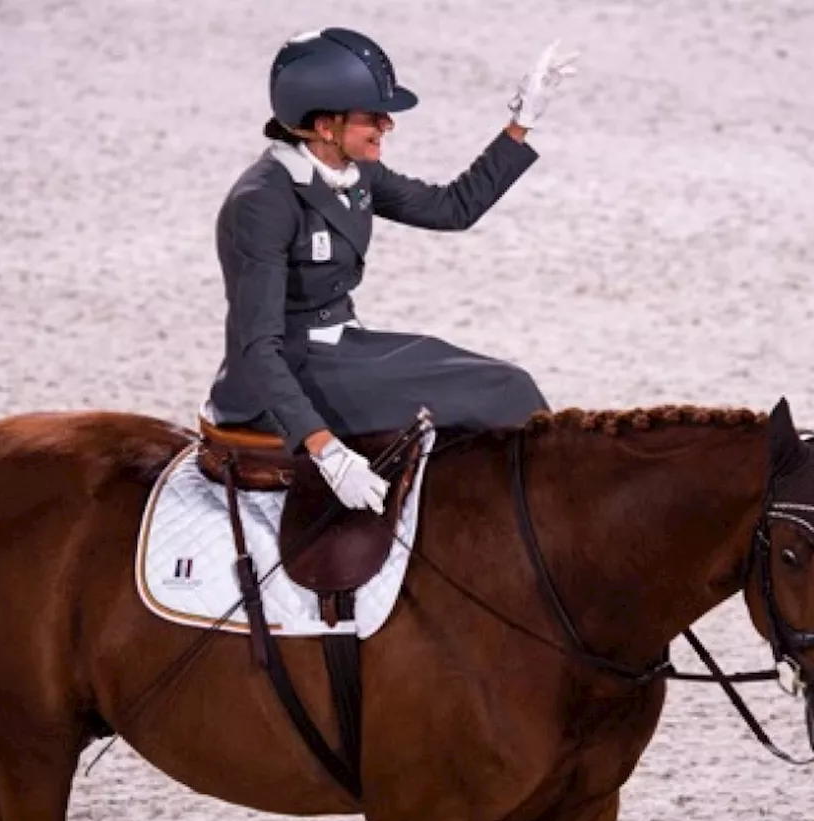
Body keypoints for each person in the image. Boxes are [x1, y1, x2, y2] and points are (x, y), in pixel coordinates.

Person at [206, 27, 577, 514]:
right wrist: (327, 450)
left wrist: (521, 122)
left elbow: (453, 208)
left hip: (346, 349)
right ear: (324, 126)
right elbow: (258, 347)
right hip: (286, 378)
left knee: (508, 384)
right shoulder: (263, 204)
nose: (387, 125)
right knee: (501, 393)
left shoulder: (355, 172)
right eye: (373, 117)